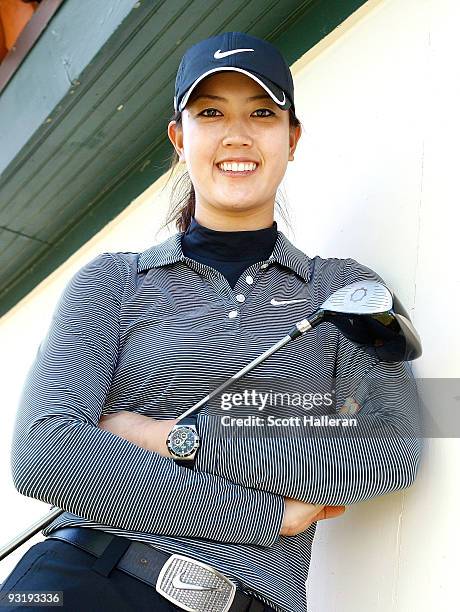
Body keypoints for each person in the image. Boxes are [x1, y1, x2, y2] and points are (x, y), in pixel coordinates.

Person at [0, 32, 422, 612]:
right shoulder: (110, 282)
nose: (237, 134)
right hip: (77, 582)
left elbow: (389, 453)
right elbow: (42, 456)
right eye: (210, 112)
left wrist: (156, 435)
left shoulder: (340, 292)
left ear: (292, 137)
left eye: (262, 113)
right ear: (179, 137)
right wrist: (268, 511)